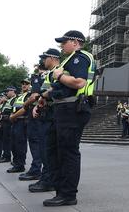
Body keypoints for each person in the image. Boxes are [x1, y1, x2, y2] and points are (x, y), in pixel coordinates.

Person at [40, 30, 95, 206]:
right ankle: (60, 191)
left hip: (72, 108)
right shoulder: (69, 59)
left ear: (75, 42)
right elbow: (60, 86)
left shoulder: (80, 57)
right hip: (63, 108)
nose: (61, 46)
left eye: (64, 42)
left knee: (67, 152)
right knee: (55, 150)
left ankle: (68, 194)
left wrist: (60, 76)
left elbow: (80, 82)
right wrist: (45, 96)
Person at [28, 48, 61, 193]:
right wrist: (39, 104)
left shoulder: (59, 71)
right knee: (45, 149)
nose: (43, 61)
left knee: (48, 149)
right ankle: (47, 178)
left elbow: (51, 92)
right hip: (47, 113)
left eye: (45, 58)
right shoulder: (49, 75)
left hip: (54, 114)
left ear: (52, 58)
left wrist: (40, 100)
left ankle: (49, 180)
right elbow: (43, 94)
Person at [7, 79, 32, 173]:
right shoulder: (19, 97)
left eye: (26, 84)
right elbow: (13, 108)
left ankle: (20, 164)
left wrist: (13, 116)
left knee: (20, 144)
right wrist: (12, 116)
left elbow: (25, 109)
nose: (24, 85)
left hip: (22, 122)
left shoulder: (29, 95)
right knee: (13, 144)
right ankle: (16, 163)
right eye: (22, 84)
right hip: (15, 122)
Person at [0, 86, 17, 164]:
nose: (6, 93)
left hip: (9, 122)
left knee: (8, 140)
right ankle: (5, 156)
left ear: (12, 91)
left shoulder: (14, 99)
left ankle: (7, 157)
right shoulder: (7, 101)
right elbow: (2, 112)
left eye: (7, 91)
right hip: (4, 122)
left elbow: (13, 111)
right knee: (5, 140)